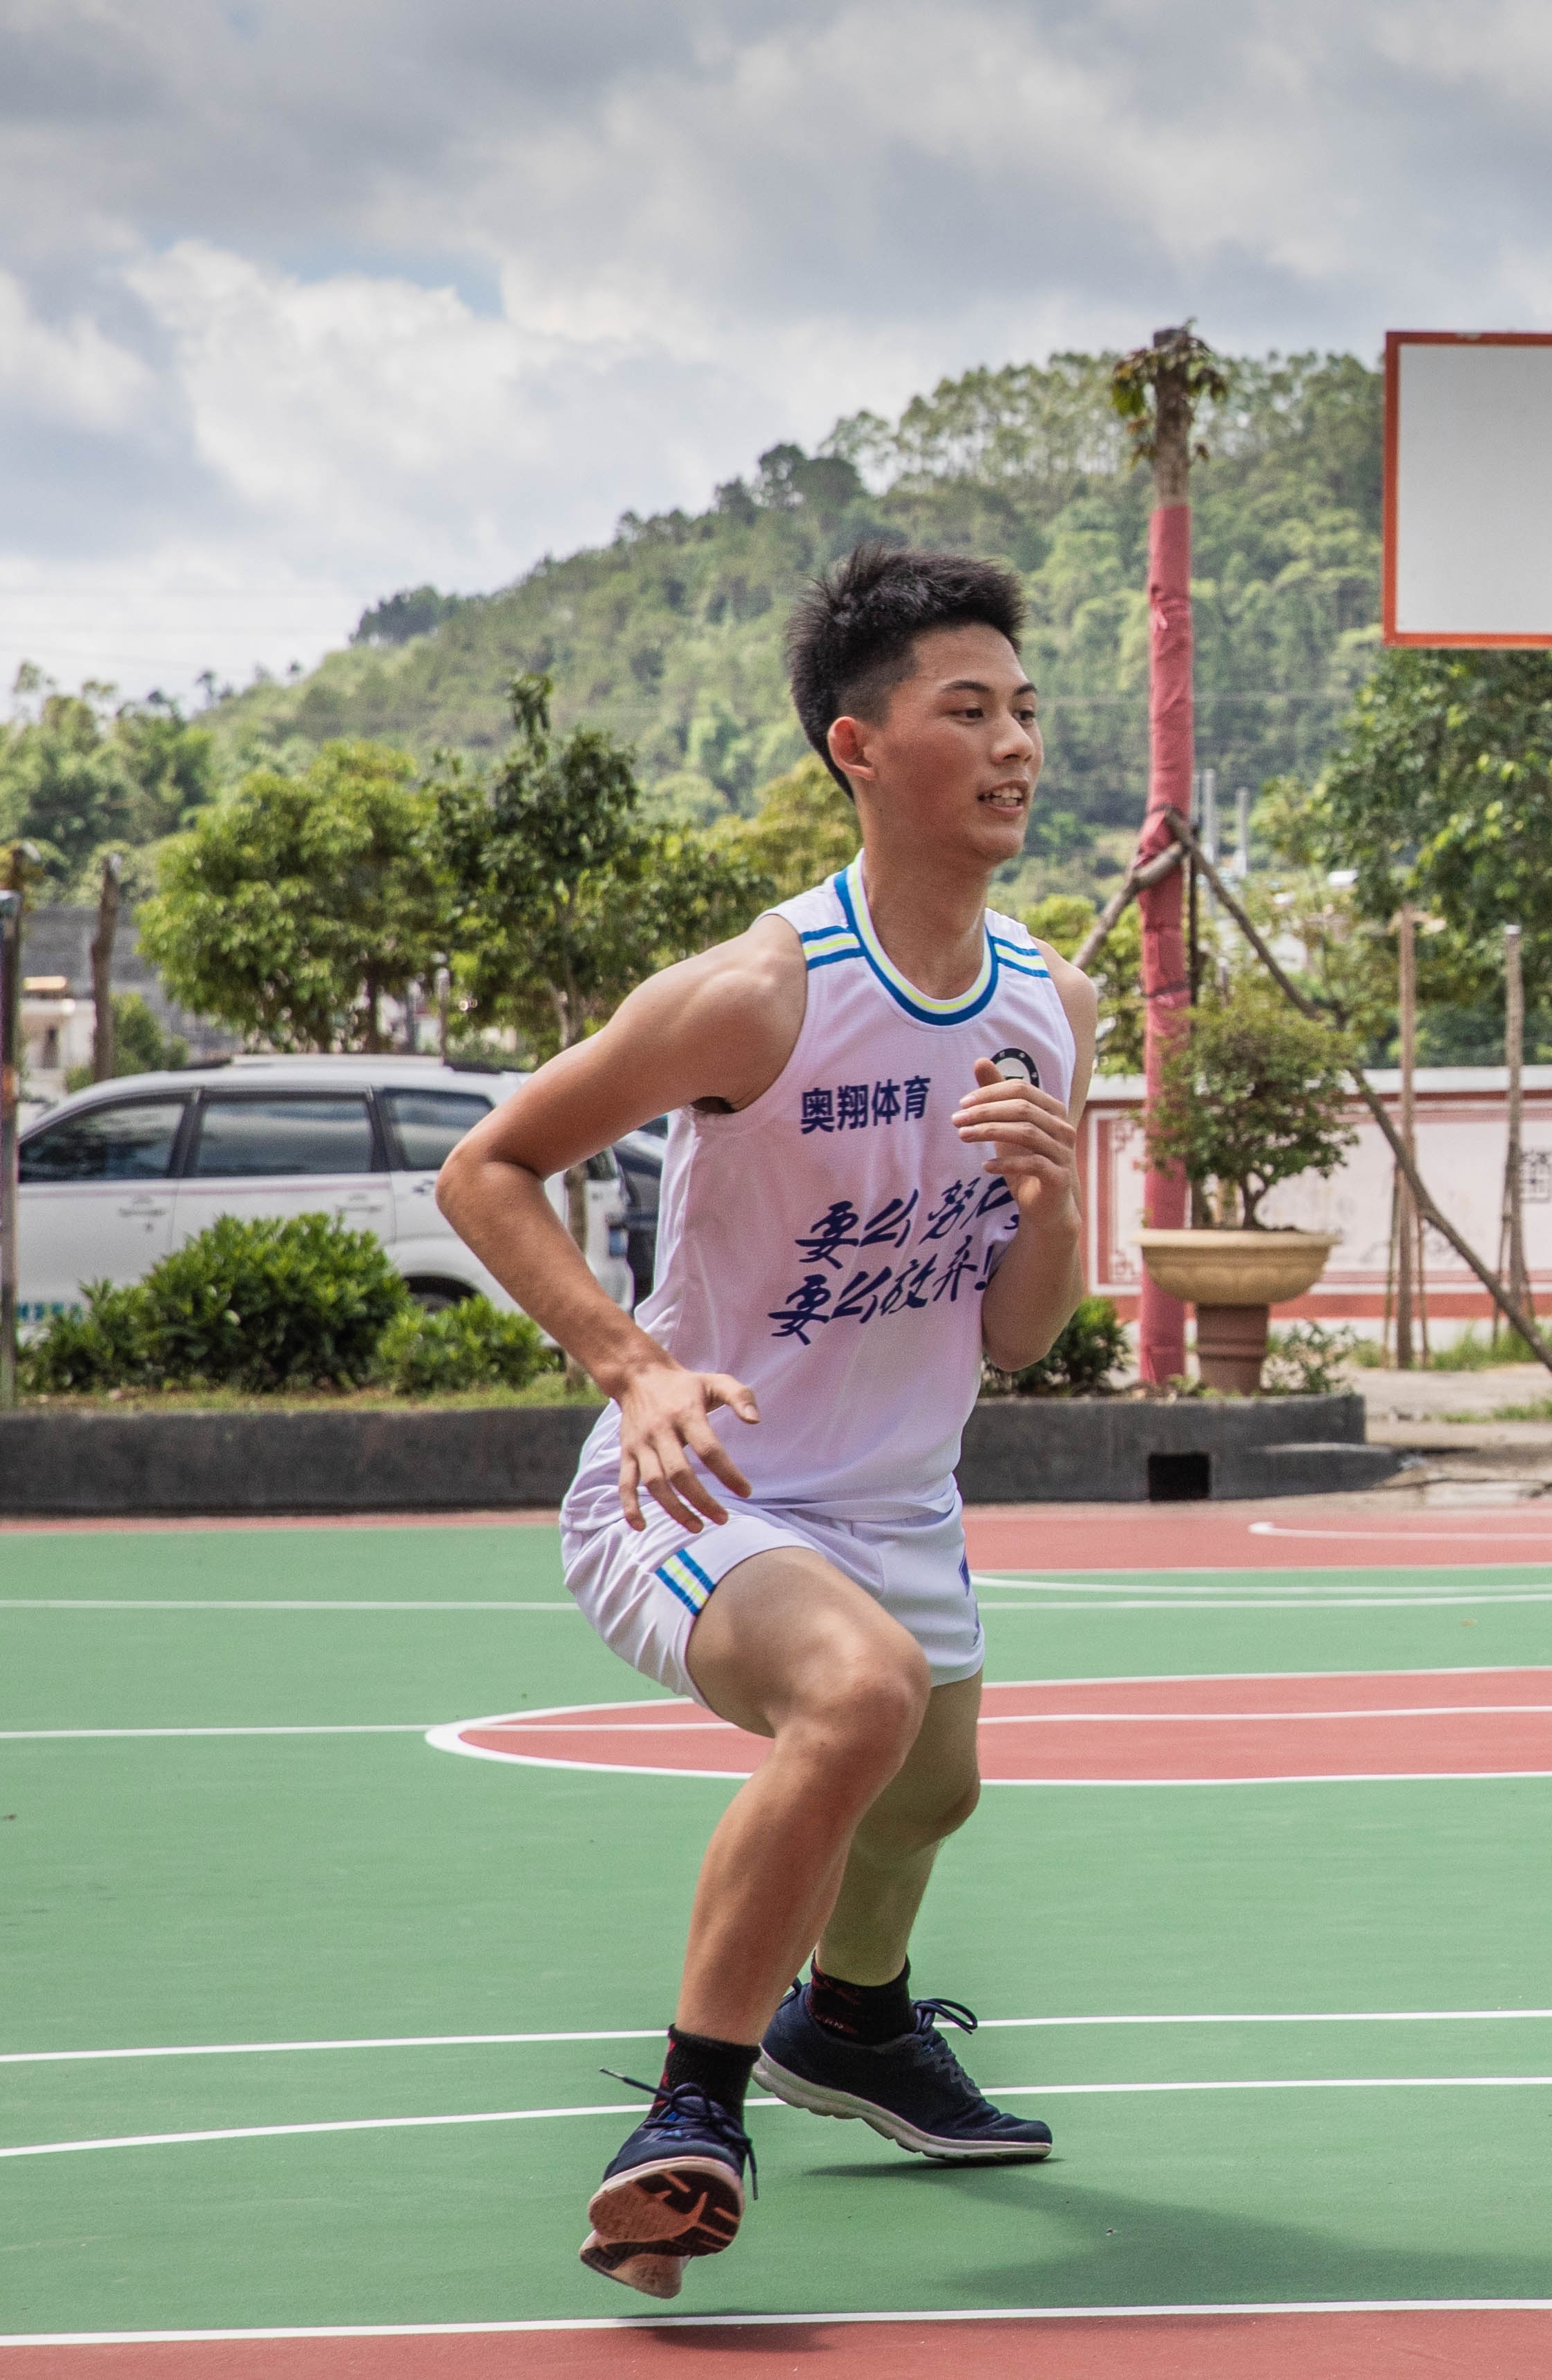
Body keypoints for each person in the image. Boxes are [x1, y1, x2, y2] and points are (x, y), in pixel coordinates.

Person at [439, 545, 1096, 2298]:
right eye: (969, 711)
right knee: (860, 1699)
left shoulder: (1049, 1006)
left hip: (897, 1500)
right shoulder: (759, 994)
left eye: (1026, 709)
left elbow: (1020, 1341)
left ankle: (858, 2023)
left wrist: (1058, 1208)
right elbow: (485, 1166)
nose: (1016, 743)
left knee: (926, 1793)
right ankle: (688, 2117)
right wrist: (631, 1366)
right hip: (700, 1483)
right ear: (857, 748)